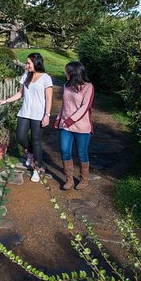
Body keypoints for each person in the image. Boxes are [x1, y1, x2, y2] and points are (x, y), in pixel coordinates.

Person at [0, 53, 53, 182]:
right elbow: (20, 93)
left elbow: (49, 98)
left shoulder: (46, 78)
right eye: (27, 63)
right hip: (25, 113)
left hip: (39, 115)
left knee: (36, 141)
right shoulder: (26, 76)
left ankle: (36, 170)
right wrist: (5, 101)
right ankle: (31, 154)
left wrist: (47, 115)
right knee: (21, 137)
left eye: (29, 63)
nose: (27, 65)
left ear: (36, 63)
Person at [54, 61, 94, 190]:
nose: (65, 73)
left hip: (82, 127)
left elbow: (85, 107)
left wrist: (70, 120)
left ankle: (84, 180)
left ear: (73, 72)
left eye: (67, 71)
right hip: (65, 126)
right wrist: (59, 119)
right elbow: (65, 105)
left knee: (82, 153)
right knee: (65, 151)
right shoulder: (66, 86)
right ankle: (69, 179)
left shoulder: (88, 87)